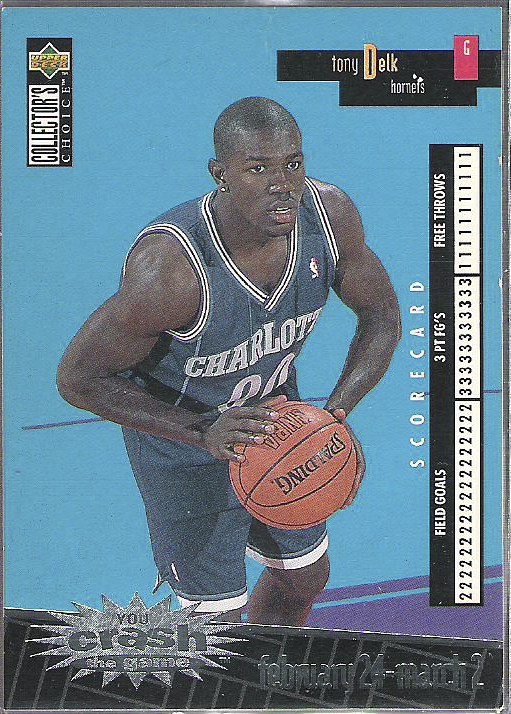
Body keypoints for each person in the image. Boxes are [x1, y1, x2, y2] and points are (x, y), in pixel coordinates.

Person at [57, 97, 401, 625]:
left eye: (293, 163)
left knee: (306, 576)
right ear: (220, 174)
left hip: (276, 434)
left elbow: (382, 315)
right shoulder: (171, 270)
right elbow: (78, 379)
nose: (282, 184)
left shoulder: (329, 217)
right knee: (216, 623)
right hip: (183, 450)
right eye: (258, 168)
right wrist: (201, 431)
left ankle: (270, 676)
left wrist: (334, 414)